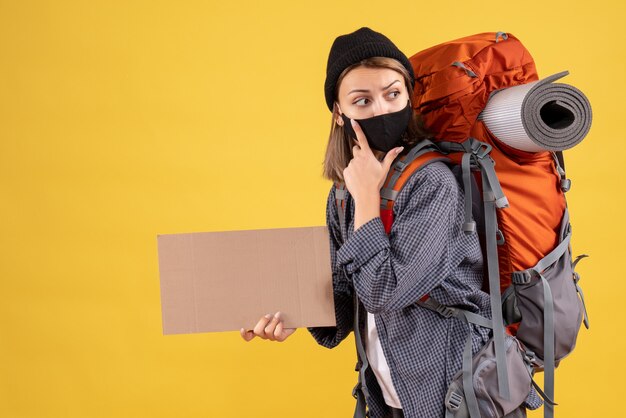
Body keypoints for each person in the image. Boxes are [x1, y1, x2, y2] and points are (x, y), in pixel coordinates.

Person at [240, 27, 494, 418]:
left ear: (409, 95)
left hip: (454, 391)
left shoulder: (433, 183)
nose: (381, 110)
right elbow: (346, 291)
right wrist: (289, 315)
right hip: (388, 393)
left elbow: (385, 293)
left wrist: (366, 200)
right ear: (339, 113)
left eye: (393, 94)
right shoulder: (344, 191)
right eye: (362, 100)